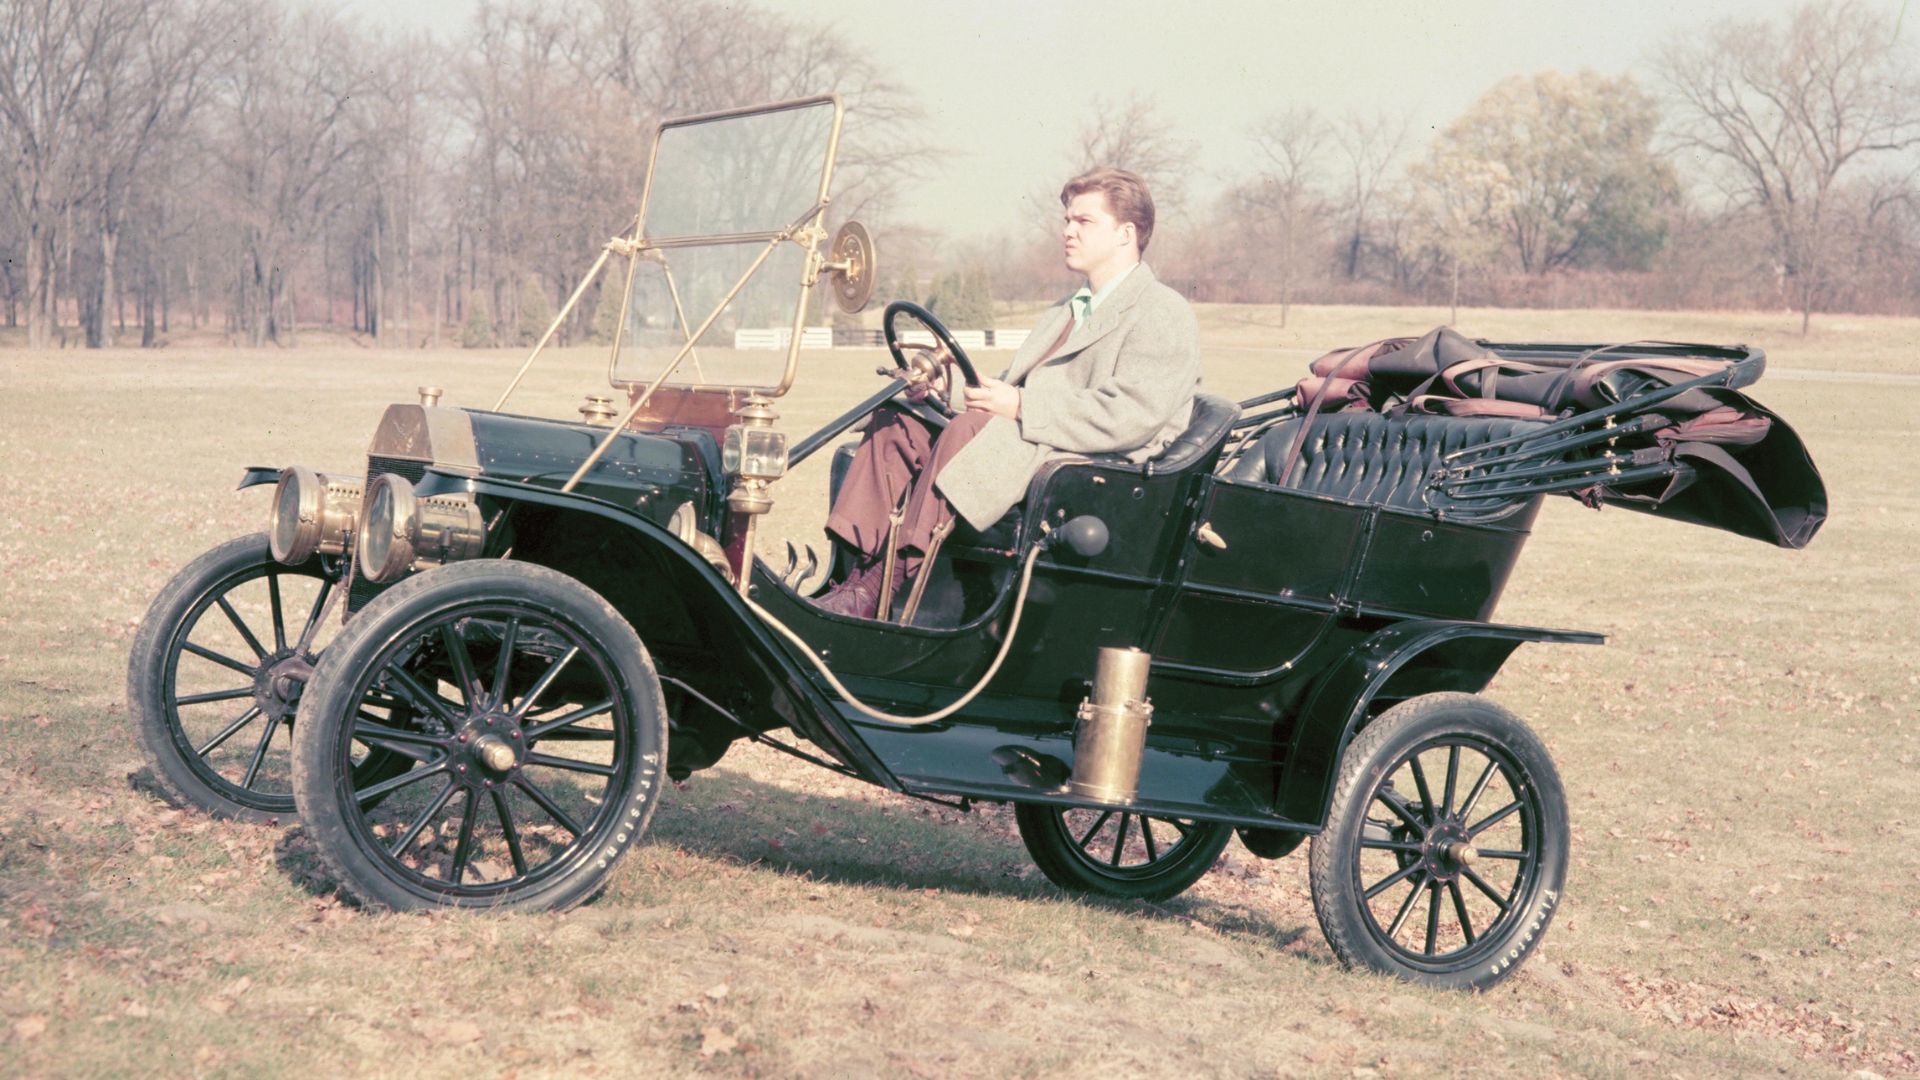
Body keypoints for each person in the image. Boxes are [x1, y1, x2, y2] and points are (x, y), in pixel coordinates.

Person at [816, 167, 1202, 618]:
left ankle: (884, 584)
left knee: (975, 432)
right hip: (1039, 437)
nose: (1068, 231)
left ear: (1126, 233)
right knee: (897, 421)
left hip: (1098, 467)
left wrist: (1019, 406)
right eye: (1067, 220)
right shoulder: (1068, 309)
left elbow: (1131, 417)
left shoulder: (1161, 311)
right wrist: (945, 389)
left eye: (1084, 221)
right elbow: (1012, 386)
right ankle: (852, 577)